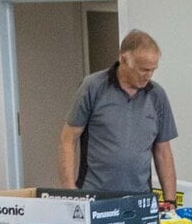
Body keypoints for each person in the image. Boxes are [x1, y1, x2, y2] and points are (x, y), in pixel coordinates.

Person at [59, 29, 178, 204]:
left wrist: (170, 200)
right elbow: (68, 139)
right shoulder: (93, 87)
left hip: (139, 197)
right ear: (123, 59)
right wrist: (69, 191)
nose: (148, 75)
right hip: (95, 196)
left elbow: (163, 151)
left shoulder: (157, 95)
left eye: (152, 70)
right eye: (143, 69)